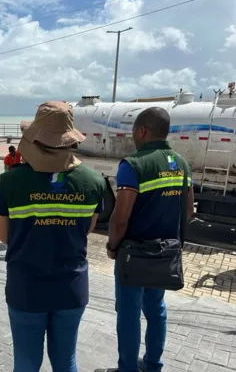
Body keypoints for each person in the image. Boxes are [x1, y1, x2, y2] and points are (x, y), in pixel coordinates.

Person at [0, 101, 106, 372]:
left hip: (26, 287)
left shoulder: (11, 181)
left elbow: (1, 234)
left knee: (27, 362)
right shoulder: (93, 181)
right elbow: (87, 229)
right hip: (71, 287)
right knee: (65, 361)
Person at [96, 107, 195, 372]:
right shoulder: (182, 164)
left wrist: (112, 246)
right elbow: (188, 210)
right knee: (156, 310)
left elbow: (120, 217)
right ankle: (153, 365)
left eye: (133, 131)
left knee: (129, 315)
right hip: (166, 253)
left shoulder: (133, 164)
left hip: (134, 256)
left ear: (142, 130)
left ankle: (127, 368)